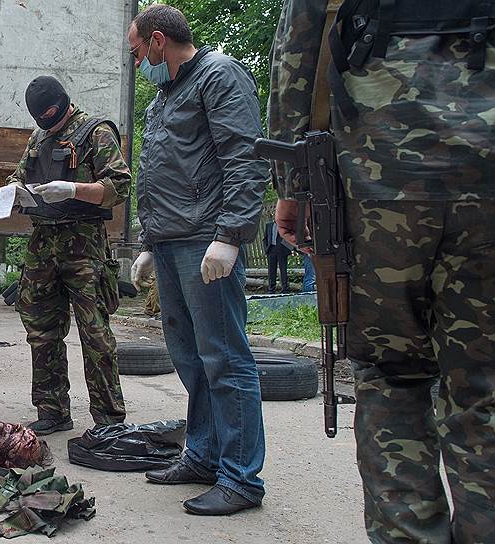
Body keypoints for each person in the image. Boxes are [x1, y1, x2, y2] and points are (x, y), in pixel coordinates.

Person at [268, 1, 494, 541]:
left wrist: (292, 186)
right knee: (484, 388)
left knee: (391, 377)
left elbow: (295, 61)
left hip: (379, 179)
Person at [127, 5, 268, 516]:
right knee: (190, 358)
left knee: (226, 359)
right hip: (169, 243)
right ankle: (205, 454)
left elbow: (244, 156)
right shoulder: (164, 97)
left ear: (159, 41)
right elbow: (158, 172)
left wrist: (230, 235)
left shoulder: (219, 76)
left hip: (204, 241)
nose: (138, 62)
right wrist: (147, 240)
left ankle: (241, 479)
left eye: (139, 52)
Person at [4, 75, 130, 435]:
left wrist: (73, 188)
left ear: (63, 104)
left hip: (84, 244)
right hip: (43, 245)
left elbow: (120, 186)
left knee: (95, 333)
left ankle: (109, 420)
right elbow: (20, 173)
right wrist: (15, 189)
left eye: (52, 117)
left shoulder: (96, 132)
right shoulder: (37, 138)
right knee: (42, 331)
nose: (48, 124)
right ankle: (52, 410)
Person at [262, 221, 292, 293]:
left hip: (282, 250)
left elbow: (289, 237)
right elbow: (265, 238)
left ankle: (285, 288)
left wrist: (288, 249)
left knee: (283, 269)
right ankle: (271, 289)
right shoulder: (269, 225)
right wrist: (266, 249)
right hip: (271, 249)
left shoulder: (284, 225)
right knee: (271, 270)